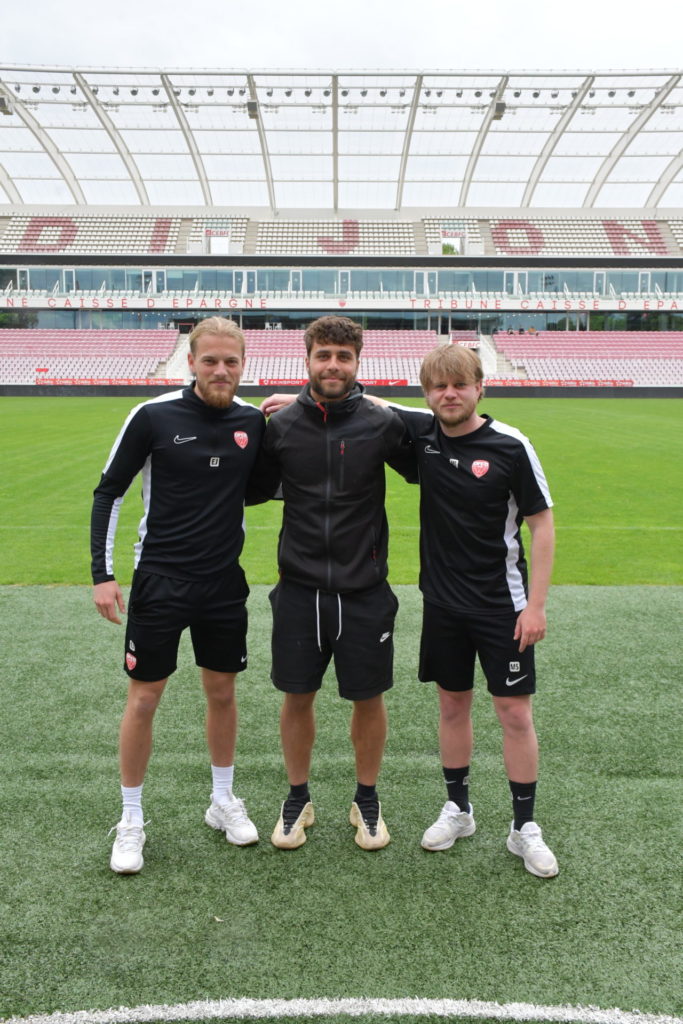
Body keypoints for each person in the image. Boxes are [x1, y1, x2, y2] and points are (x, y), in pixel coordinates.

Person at [91, 317, 265, 874]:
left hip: (222, 585)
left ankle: (221, 801)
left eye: (230, 362)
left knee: (222, 693)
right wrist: (103, 572)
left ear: (243, 365)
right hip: (161, 581)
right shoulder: (153, 416)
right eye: (210, 360)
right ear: (191, 362)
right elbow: (109, 492)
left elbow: (269, 485)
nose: (220, 370)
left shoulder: (251, 422)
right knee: (144, 699)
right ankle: (132, 818)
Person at [379, 345, 558, 877]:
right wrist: (293, 400)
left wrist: (537, 607)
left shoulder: (510, 446)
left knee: (514, 714)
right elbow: (361, 406)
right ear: (427, 393)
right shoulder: (423, 435)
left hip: (503, 607)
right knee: (452, 708)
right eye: (438, 386)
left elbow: (542, 526)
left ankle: (524, 827)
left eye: (459, 384)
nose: (449, 394)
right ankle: (459, 809)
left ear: (481, 387)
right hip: (442, 607)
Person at [255, 315, 412, 851]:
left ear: (357, 362)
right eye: (324, 355)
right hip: (299, 590)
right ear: (308, 359)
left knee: (368, 698)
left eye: (343, 357)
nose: (333, 366)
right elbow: (249, 485)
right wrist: (261, 418)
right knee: (298, 696)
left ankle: (366, 798)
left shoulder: (381, 423)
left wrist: (390, 408)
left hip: (365, 590)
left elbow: (437, 439)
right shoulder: (280, 427)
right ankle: (298, 796)